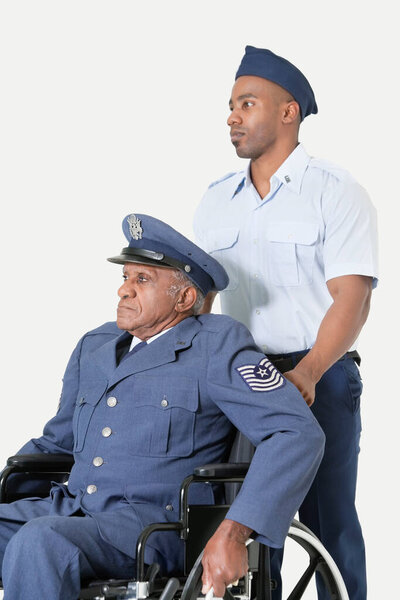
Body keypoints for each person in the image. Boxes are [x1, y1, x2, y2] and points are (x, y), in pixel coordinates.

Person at [0, 213, 324, 600]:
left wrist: (236, 529)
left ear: (185, 298)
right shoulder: (95, 346)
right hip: (73, 512)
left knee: (40, 541)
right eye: (125, 278)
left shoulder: (216, 346)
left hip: (154, 527)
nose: (124, 291)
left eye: (143, 280)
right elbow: (57, 444)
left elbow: (297, 432)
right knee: (40, 535)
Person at [193, 46, 378, 600]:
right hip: (240, 377)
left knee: (329, 523)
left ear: (288, 112)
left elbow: (352, 296)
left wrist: (311, 372)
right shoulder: (216, 201)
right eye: (230, 106)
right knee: (239, 523)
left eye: (246, 104)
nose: (232, 116)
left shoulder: (335, 192)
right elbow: (200, 301)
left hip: (317, 372)